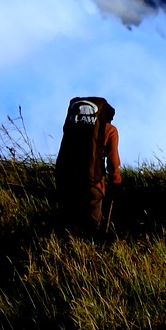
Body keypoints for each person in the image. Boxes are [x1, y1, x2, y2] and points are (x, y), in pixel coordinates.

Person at [57, 97, 122, 235]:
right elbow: (113, 160)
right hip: (92, 184)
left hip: (67, 183)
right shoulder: (110, 130)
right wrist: (116, 181)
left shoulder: (72, 126)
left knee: (69, 227)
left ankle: (66, 251)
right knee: (92, 230)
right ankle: (89, 251)